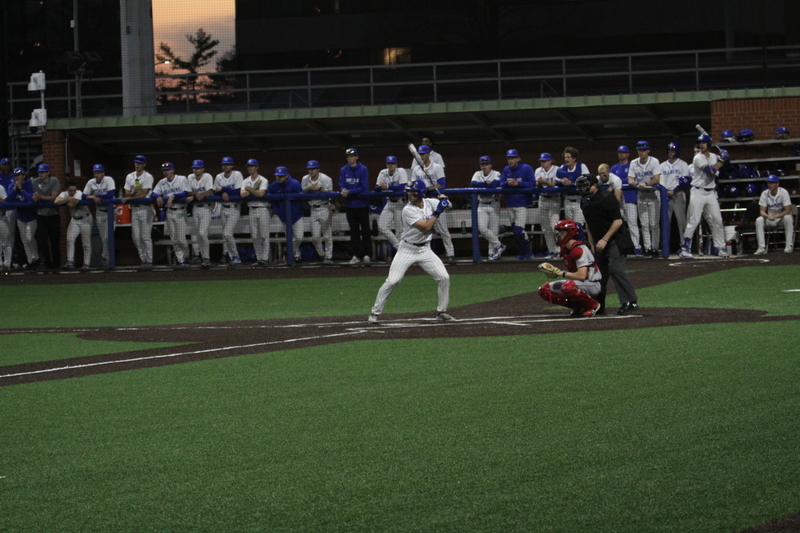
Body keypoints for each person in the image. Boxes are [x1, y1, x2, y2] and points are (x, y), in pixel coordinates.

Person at [368, 180, 454, 323]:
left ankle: (441, 312)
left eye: (412, 192)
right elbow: (426, 226)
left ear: (420, 193)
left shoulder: (430, 202)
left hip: (425, 249)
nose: (409, 194)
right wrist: (439, 210)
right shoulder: (407, 210)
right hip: (407, 250)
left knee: (444, 277)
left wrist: (444, 200)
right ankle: (374, 313)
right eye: (408, 191)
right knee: (392, 281)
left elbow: (448, 205)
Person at [577, 174, 639, 315]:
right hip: (599, 243)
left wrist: (604, 240)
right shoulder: (585, 201)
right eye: (580, 186)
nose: (582, 188)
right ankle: (597, 304)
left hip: (615, 240)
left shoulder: (607, 198)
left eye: (585, 185)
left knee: (615, 269)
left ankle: (630, 301)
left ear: (594, 185)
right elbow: (589, 224)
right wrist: (592, 244)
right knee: (597, 275)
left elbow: (617, 221)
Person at [537, 219, 602, 317]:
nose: (558, 235)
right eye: (558, 232)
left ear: (569, 233)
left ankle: (592, 305)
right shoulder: (566, 249)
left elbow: (582, 276)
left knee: (568, 287)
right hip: (580, 283)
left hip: (592, 284)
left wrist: (561, 273)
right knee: (544, 290)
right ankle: (578, 306)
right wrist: (556, 273)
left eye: (561, 232)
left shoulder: (579, 249)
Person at [679, 134, 729, 259]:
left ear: (709, 144)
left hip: (711, 192)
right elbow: (710, 171)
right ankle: (685, 249)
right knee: (694, 220)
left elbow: (727, 168)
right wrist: (722, 160)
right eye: (700, 143)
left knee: (717, 220)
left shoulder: (714, 156)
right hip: (698, 192)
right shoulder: (698, 157)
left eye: (704, 143)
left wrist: (726, 157)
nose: (701, 145)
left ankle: (720, 247)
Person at [412, 144, 455, 263]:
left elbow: (442, 184)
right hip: (423, 203)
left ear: (428, 154)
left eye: (423, 154)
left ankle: (450, 254)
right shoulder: (416, 169)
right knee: (421, 231)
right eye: (420, 154)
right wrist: (422, 189)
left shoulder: (436, 167)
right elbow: (414, 185)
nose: (421, 156)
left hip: (436, 200)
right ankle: (420, 256)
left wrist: (427, 188)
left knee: (443, 230)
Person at [152, 162, 190, 269]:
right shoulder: (162, 182)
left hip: (180, 211)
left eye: (168, 170)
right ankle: (180, 260)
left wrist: (174, 195)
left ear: (173, 170)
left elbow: (186, 192)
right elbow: (153, 193)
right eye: (164, 170)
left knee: (181, 239)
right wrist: (157, 196)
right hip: (169, 212)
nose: (166, 172)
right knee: (174, 239)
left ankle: (186, 256)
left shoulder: (182, 179)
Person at [627, 141, 661, 258]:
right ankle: (647, 248)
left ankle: (655, 248)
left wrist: (646, 183)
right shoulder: (634, 162)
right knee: (644, 224)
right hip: (641, 194)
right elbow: (630, 178)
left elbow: (657, 179)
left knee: (654, 223)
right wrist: (631, 181)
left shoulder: (654, 161)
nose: (641, 152)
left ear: (648, 151)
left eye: (643, 150)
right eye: (639, 150)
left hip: (653, 194)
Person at [500, 149, 536, 260]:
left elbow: (532, 184)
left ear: (518, 158)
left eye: (512, 158)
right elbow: (500, 183)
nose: (510, 160)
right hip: (510, 203)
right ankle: (522, 253)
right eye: (509, 158)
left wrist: (518, 183)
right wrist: (507, 183)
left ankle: (528, 251)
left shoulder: (526, 168)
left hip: (522, 204)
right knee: (515, 231)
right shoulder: (506, 169)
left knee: (519, 230)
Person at [339, 148, 372, 265]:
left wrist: (349, 192)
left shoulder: (363, 169)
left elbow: (364, 187)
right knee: (354, 232)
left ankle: (367, 255)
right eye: (348, 157)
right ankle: (356, 255)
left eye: (352, 156)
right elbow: (341, 183)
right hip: (350, 205)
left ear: (356, 157)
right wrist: (343, 189)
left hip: (362, 204)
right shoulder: (344, 169)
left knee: (365, 231)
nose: (350, 158)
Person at [121, 155, 155, 268]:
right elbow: (126, 193)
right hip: (134, 209)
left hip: (145, 208)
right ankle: (143, 259)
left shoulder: (148, 176)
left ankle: (149, 261)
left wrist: (130, 196)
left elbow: (143, 194)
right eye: (136, 163)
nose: (137, 165)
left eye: (140, 163)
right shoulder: (130, 176)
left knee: (145, 236)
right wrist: (132, 193)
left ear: (144, 164)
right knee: (136, 237)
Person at [471, 155, 504, 260]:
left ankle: (491, 253)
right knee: (482, 228)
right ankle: (499, 245)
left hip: (494, 203)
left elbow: (498, 183)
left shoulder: (496, 173)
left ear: (490, 165)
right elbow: (473, 184)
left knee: (494, 231)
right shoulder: (477, 174)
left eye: (486, 164)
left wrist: (486, 186)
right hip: (482, 205)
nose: (484, 167)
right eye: (482, 165)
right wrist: (486, 184)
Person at [268, 166, 304, 264]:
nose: (278, 178)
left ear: (286, 175)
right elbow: (272, 201)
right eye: (277, 176)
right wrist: (279, 211)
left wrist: (297, 212)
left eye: (281, 176)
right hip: (284, 217)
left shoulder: (295, 184)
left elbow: (300, 200)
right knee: (289, 238)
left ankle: (288, 250)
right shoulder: (273, 186)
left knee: (299, 237)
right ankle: (296, 256)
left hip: (297, 216)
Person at [54, 180, 93, 270]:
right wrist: (67, 199)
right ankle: (70, 261)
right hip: (75, 220)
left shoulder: (79, 193)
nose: (72, 192)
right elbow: (56, 201)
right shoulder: (64, 194)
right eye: (70, 190)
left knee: (86, 243)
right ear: (67, 190)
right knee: (69, 239)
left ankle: (87, 263)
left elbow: (73, 203)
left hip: (85, 219)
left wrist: (66, 201)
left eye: (74, 190)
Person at [301, 160, 333, 264]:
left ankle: (328, 257)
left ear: (318, 169)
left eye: (313, 169)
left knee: (327, 235)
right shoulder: (305, 179)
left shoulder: (325, 179)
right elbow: (301, 193)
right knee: (315, 237)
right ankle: (322, 255)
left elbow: (331, 193)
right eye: (309, 169)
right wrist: (307, 188)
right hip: (313, 209)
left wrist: (320, 189)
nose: (311, 171)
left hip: (324, 207)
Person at [611, 145, 641, 256]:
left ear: (628, 154)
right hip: (618, 199)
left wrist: (619, 181)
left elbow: (633, 180)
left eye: (623, 152)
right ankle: (621, 247)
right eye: (619, 152)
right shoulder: (614, 168)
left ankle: (637, 247)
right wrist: (624, 180)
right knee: (618, 224)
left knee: (632, 223)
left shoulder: (632, 165)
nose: (621, 154)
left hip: (630, 197)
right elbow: (611, 180)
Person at [83, 164, 116, 267]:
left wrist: (96, 196)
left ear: (103, 173)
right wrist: (93, 197)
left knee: (108, 237)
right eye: (95, 173)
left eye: (98, 172)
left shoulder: (108, 180)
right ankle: (106, 259)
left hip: (110, 212)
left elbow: (110, 194)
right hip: (100, 212)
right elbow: (84, 196)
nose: (96, 174)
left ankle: (106, 257)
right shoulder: (91, 182)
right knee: (103, 238)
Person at [374, 155, 408, 255]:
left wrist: (387, 186)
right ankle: (399, 247)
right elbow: (376, 187)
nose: (391, 165)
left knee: (399, 231)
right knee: (382, 226)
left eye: (393, 163)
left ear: (396, 164)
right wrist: (380, 187)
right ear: (386, 164)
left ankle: (401, 254)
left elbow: (403, 187)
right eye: (389, 163)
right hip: (389, 203)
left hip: (400, 203)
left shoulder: (401, 171)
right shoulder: (383, 172)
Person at [214, 156, 244, 265]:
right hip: (223, 208)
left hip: (234, 208)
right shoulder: (219, 177)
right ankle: (227, 255)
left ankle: (236, 256)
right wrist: (223, 193)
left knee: (227, 233)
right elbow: (215, 191)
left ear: (232, 166)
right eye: (223, 165)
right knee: (225, 234)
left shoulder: (237, 174)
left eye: (227, 164)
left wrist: (223, 189)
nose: (225, 166)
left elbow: (239, 191)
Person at [659, 142, 690, 249]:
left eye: (673, 151)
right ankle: (665, 245)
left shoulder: (683, 164)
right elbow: (660, 181)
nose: (670, 153)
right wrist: (665, 192)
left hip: (678, 194)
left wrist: (675, 190)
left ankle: (684, 245)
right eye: (669, 151)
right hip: (665, 195)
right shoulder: (662, 165)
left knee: (681, 221)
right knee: (665, 222)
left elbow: (685, 181)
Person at [240, 159, 271, 266]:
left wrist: (249, 189)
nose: (250, 168)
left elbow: (260, 195)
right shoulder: (245, 181)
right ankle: (259, 259)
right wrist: (254, 188)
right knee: (254, 236)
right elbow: (243, 195)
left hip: (262, 208)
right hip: (251, 209)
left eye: (252, 166)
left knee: (264, 235)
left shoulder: (263, 180)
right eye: (248, 166)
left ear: (257, 167)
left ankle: (265, 258)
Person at [7, 168, 39, 269]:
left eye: (19, 175)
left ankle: (36, 257)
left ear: (24, 176)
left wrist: (21, 190)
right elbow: (9, 200)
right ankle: (31, 261)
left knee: (30, 238)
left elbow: (31, 199)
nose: (17, 177)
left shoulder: (30, 184)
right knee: (24, 240)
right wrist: (15, 189)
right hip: (20, 217)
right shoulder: (12, 186)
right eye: (16, 176)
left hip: (31, 216)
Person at [32, 163, 61, 270]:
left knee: (55, 241)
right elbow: (35, 195)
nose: (41, 174)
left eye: (43, 172)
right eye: (39, 172)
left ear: (48, 172)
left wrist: (40, 197)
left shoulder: (54, 180)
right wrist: (37, 197)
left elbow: (53, 197)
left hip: (53, 215)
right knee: (41, 240)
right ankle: (47, 263)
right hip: (41, 215)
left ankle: (56, 265)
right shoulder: (35, 181)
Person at [754, 175, 794, 254]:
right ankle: (761, 247)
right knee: (759, 220)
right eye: (769, 183)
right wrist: (768, 216)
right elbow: (762, 211)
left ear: (777, 184)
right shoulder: (765, 193)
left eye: (772, 183)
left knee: (788, 218)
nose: (770, 185)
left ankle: (789, 246)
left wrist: (777, 216)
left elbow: (788, 210)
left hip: (781, 218)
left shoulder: (783, 192)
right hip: (770, 218)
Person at [185, 159, 215, 268]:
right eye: (194, 168)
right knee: (198, 234)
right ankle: (202, 257)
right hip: (195, 208)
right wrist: (196, 194)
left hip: (206, 208)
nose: (195, 170)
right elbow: (188, 191)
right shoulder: (190, 177)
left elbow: (210, 191)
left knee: (202, 233)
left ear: (202, 169)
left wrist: (201, 194)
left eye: (197, 168)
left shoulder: (207, 176)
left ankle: (206, 258)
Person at [535, 152, 562, 260]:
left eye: (545, 161)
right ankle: (552, 251)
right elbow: (536, 184)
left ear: (550, 161)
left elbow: (558, 183)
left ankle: (559, 250)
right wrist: (540, 183)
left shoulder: (557, 169)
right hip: (542, 199)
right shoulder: (538, 170)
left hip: (554, 199)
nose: (542, 163)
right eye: (541, 161)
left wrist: (545, 181)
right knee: (546, 228)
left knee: (554, 226)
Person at [556, 147, 589, 227]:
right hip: (567, 200)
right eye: (565, 157)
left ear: (574, 158)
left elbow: (587, 181)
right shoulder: (562, 167)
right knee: (569, 227)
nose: (566, 159)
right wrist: (562, 182)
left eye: (568, 157)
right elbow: (556, 181)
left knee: (578, 226)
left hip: (579, 200)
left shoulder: (581, 166)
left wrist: (571, 183)